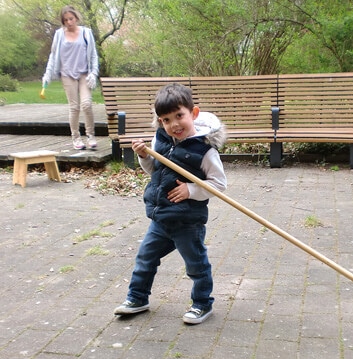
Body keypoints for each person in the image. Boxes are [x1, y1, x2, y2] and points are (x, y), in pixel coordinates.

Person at [114, 83, 227, 325]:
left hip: (187, 221)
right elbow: (154, 170)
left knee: (196, 265)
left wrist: (191, 189)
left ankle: (202, 304)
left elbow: (219, 184)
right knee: (145, 258)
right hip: (161, 217)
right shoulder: (162, 140)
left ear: (193, 113)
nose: (174, 124)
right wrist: (145, 156)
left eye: (179, 116)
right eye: (166, 120)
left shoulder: (204, 149)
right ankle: (137, 298)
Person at [42, 5, 99, 150]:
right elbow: (53, 55)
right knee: (74, 107)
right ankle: (76, 138)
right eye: (65, 20)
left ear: (76, 18)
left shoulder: (86, 33)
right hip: (67, 74)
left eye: (71, 19)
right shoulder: (59, 34)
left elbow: (93, 55)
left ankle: (91, 136)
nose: (69, 22)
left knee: (86, 104)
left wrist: (94, 73)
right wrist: (47, 74)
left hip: (84, 74)